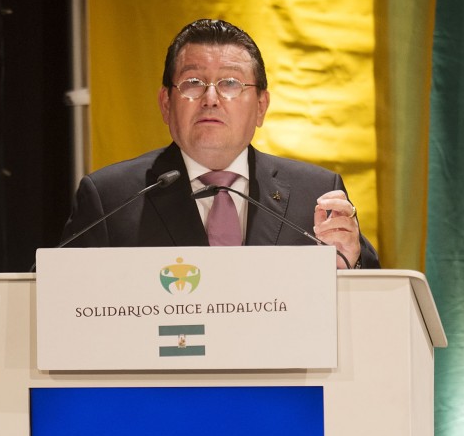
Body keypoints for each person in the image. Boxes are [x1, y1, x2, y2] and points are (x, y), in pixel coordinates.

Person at [61, 18, 380, 269]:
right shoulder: (111, 199)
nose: (211, 98)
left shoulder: (316, 196)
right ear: (165, 103)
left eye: (230, 83)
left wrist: (351, 263)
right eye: (193, 83)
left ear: (261, 106)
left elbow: (372, 306)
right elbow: (52, 298)